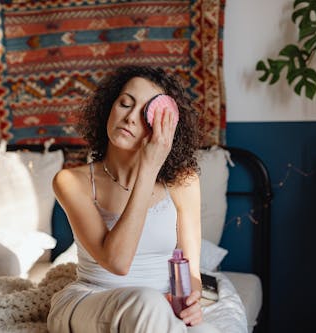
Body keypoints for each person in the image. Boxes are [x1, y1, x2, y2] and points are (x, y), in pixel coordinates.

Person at [47, 65, 217, 333]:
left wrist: (190, 301)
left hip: (161, 308)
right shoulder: (72, 181)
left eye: (146, 114)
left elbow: (191, 272)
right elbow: (118, 262)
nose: (130, 118)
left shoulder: (183, 182)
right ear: (109, 107)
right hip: (91, 301)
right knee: (147, 303)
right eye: (125, 104)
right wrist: (148, 169)